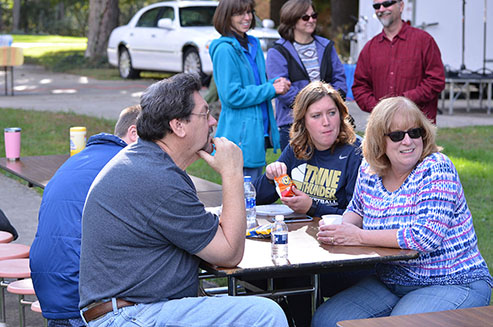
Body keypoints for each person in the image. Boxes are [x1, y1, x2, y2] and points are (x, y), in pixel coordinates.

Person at [78, 73, 288, 327]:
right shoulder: (156, 178)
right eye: (205, 113)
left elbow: (212, 247)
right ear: (178, 126)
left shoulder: (148, 162)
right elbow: (229, 254)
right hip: (127, 316)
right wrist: (232, 172)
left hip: (132, 309)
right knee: (265, 314)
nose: (213, 121)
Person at [312, 96, 492, 326]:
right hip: (391, 279)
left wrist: (358, 236)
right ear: (380, 141)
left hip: (452, 280)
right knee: (326, 320)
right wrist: (340, 228)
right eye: (397, 135)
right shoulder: (369, 168)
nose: (407, 141)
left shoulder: (436, 167)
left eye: (414, 132)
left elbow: (424, 237)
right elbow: (357, 209)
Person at [251, 81, 368, 327]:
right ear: (304, 121)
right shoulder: (298, 149)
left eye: (331, 113)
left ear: (341, 114)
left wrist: (311, 207)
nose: (326, 122)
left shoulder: (357, 152)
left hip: (346, 255)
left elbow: (357, 214)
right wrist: (272, 175)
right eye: (316, 116)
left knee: (293, 277)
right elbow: (259, 198)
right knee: (258, 275)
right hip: (304, 247)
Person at [29, 105, 141, 327]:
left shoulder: (77, 160)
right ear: (134, 133)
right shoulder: (124, 164)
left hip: (50, 288)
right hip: (83, 298)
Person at [209, 0, 291, 179]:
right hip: (238, 137)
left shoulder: (252, 43)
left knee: (252, 197)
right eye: (239, 13)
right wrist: (271, 89)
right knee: (243, 198)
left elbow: (255, 82)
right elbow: (231, 96)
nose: (247, 18)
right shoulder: (224, 50)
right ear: (226, 16)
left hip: (257, 133)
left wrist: (274, 83)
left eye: (249, 12)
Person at [266, 0, 347, 150]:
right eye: (305, 17)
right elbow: (282, 91)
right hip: (293, 125)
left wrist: (324, 108)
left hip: (327, 125)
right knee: (296, 173)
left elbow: (340, 81)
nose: (311, 20)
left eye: (313, 16)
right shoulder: (277, 51)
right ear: (292, 19)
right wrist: (313, 107)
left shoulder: (327, 46)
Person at [352, 0, 445, 123]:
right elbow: (359, 87)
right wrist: (381, 108)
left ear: (401, 6)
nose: (381, 9)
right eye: (377, 6)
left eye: (387, 4)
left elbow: (436, 80)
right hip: (383, 126)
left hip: (417, 126)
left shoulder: (424, 41)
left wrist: (405, 100)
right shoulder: (369, 48)